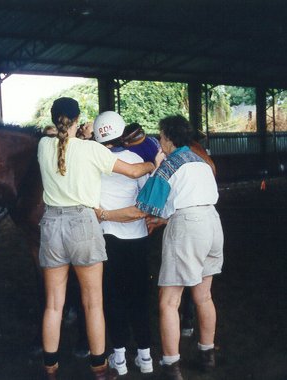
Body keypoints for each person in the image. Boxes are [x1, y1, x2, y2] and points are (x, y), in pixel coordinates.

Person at [37, 98, 155, 380]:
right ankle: (100, 369)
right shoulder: (91, 150)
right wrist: (153, 161)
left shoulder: (43, 146)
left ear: (56, 119)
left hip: (52, 224)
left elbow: (49, 133)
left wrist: (75, 133)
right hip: (83, 224)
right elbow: (134, 171)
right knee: (93, 303)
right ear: (79, 119)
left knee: (54, 304)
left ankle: (51, 369)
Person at [138, 115, 223, 379]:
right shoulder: (200, 161)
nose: (159, 141)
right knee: (204, 296)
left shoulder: (171, 163)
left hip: (187, 227)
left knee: (169, 301)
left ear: (169, 138)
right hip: (212, 223)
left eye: (161, 136)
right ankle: (207, 354)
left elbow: (147, 203)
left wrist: (156, 166)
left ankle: (171, 365)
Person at [93, 112, 154, 376]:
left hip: (106, 237)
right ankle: (146, 357)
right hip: (137, 238)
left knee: (112, 298)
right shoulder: (135, 159)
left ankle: (119, 360)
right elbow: (149, 199)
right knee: (139, 297)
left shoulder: (94, 162)